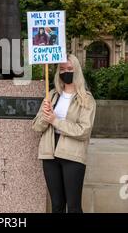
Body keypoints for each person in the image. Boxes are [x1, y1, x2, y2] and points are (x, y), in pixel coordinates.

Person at [32, 54, 96, 213]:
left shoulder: (86, 99)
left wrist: (55, 121)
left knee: (73, 206)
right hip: (50, 155)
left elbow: (84, 130)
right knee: (57, 205)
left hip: (72, 155)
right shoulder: (52, 95)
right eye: (62, 69)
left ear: (77, 71)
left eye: (69, 69)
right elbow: (37, 127)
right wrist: (46, 118)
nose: (65, 72)